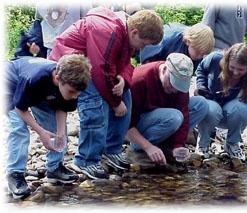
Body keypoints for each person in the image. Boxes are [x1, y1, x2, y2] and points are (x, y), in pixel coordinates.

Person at [48, 6, 164, 179]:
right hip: (72, 67)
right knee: (96, 104)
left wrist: (123, 80)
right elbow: (99, 71)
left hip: (95, 67)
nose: (142, 48)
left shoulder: (126, 35)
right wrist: (115, 103)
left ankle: (112, 149)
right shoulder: (106, 31)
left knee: (126, 95)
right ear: (134, 32)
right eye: (143, 44)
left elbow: (126, 64)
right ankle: (86, 160)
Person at [5, 54, 91, 199]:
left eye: (78, 94)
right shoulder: (34, 78)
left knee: (55, 128)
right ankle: (15, 174)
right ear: (58, 79)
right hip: (11, 84)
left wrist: (61, 133)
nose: (75, 96)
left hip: (41, 92)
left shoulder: (71, 85)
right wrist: (41, 133)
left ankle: (54, 167)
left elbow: (62, 107)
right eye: (71, 92)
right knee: (19, 129)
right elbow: (21, 108)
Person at [194, 43, 247, 172]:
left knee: (242, 108)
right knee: (211, 109)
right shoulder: (215, 59)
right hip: (212, 107)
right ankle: (203, 144)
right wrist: (201, 85)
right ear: (227, 61)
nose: (235, 72)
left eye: (241, 70)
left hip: (232, 113)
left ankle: (232, 144)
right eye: (232, 67)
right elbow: (201, 68)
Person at [127, 53, 208, 165]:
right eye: (172, 83)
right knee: (174, 117)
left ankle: (167, 145)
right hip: (137, 127)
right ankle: (140, 147)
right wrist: (148, 147)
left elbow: (184, 114)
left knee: (201, 104)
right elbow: (126, 124)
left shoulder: (179, 87)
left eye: (179, 86)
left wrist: (178, 145)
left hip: (164, 117)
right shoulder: (139, 80)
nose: (175, 90)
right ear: (165, 68)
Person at [138, 22, 215, 71]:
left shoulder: (197, 50)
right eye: (198, 52)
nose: (199, 57)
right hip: (156, 60)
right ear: (188, 42)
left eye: (203, 54)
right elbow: (146, 60)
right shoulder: (167, 41)